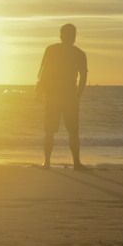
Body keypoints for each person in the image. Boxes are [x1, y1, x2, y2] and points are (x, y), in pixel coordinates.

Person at [36, 23, 89, 170]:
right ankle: (76, 163)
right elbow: (83, 77)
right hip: (70, 96)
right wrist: (78, 95)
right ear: (74, 37)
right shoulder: (79, 53)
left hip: (52, 95)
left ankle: (46, 163)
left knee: (49, 130)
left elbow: (42, 72)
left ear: (61, 36)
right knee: (73, 131)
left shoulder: (51, 49)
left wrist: (39, 90)